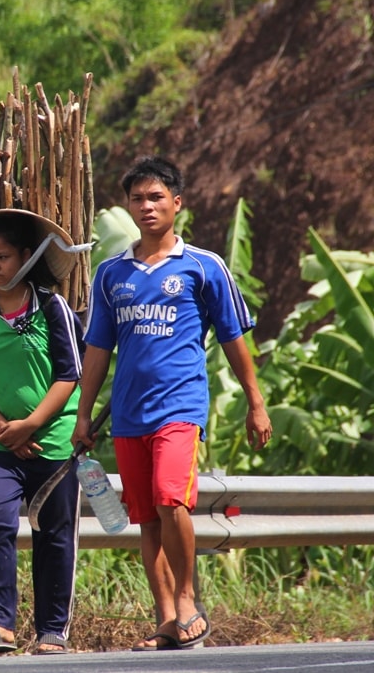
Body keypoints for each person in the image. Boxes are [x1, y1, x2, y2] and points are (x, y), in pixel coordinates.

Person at [72, 156, 272, 651]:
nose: (147, 206)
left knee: (170, 499)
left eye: (156, 196)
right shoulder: (110, 274)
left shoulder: (204, 266)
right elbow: (98, 350)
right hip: (127, 415)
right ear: (127, 206)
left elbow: (232, 338)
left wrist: (256, 402)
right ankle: (167, 620)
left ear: (177, 204)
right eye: (137, 198)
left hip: (180, 408)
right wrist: (82, 415)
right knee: (146, 518)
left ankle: (187, 600)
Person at [0, 209, 89, 655]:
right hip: (0, 442)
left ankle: (53, 629)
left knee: (54, 532)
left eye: (3, 256)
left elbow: (70, 374)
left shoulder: (53, 307)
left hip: (54, 439)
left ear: (26, 257)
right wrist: (3, 428)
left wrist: (32, 424)